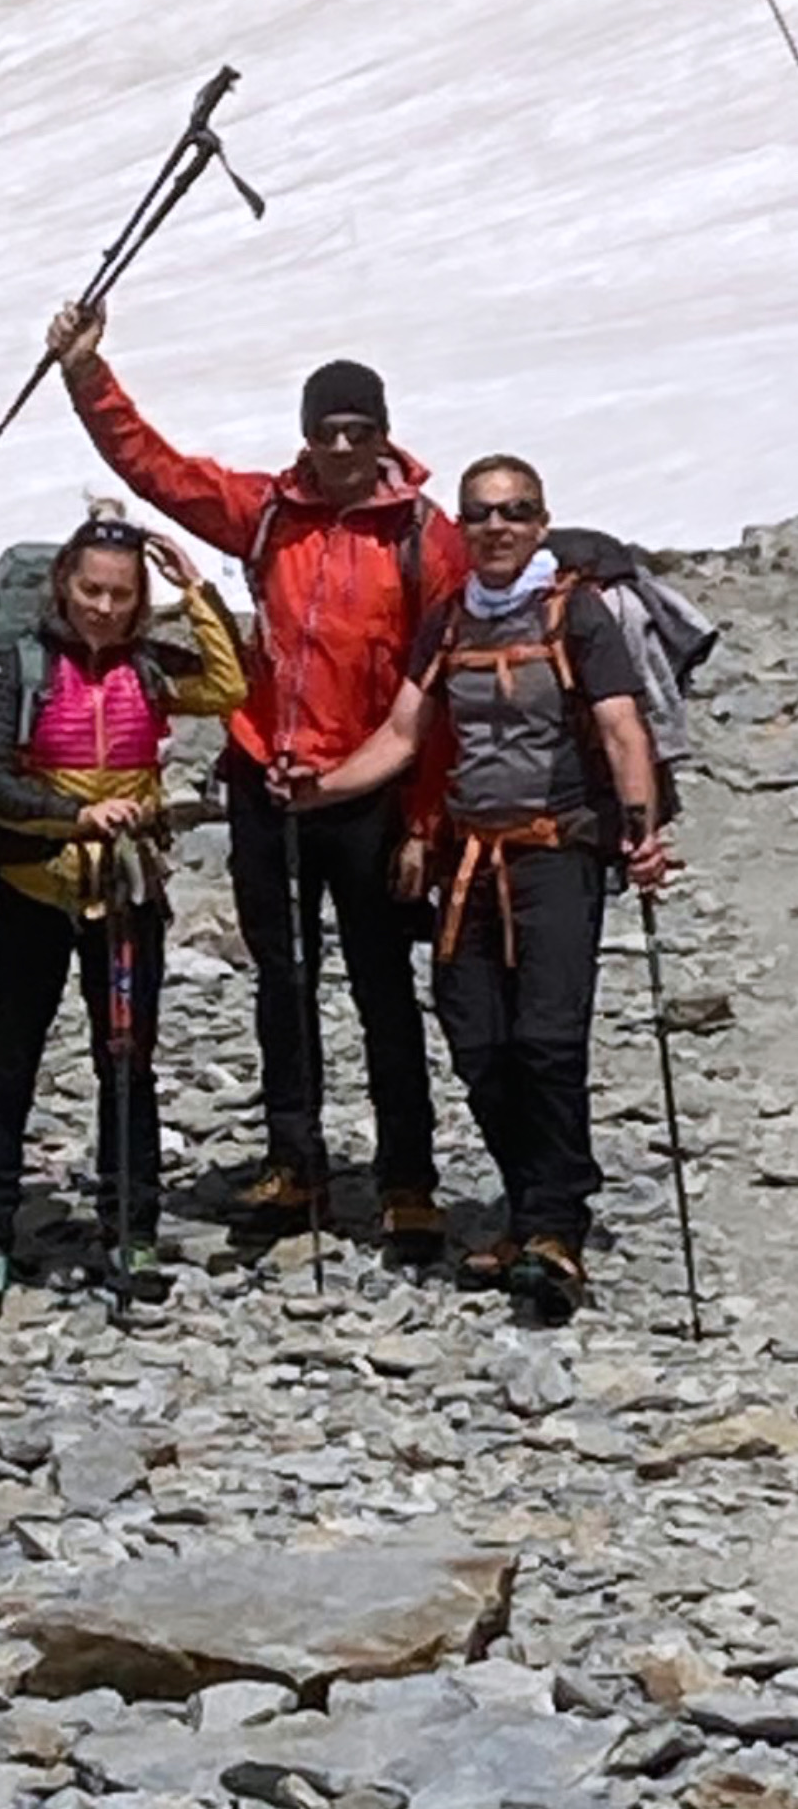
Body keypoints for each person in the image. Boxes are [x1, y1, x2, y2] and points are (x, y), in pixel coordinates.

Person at [44, 304, 466, 1255]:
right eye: (327, 430)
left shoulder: (426, 540)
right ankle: (294, 1161)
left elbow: (434, 694)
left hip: (367, 793)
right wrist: (86, 375)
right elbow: (154, 468)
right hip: (266, 787)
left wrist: (422, 823)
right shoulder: (266, 513)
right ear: (305, 434)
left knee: (381, 986)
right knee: (282, 980)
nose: (342, 446)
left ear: (384, 434)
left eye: (359, 429)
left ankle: (407, 1178)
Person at [287, 454, 667, 1319]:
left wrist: (640, 831)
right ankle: (533, 1209)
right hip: (469, 860)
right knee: (477, 1042)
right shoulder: (450, 620)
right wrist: (316, 791)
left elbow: (620, 728)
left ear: (540, 523)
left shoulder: (576, 613)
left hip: (556, 853)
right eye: (482, 513)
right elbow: (402, 734)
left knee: (546, 1039)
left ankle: (553, 1229)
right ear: (462, 527)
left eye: (515, 511)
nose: (498, 526)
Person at [0, 509, 247, 1321]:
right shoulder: (16, 666)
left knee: (126, 1060)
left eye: (121, 595)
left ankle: (130, 1228)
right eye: (91, 590)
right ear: (63, 585)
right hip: (38, 886)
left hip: (126, 887)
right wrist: (73, 816)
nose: (105, 608)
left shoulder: (148, 666)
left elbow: (230, 687)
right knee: (8, 1062)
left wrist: (195, 592)